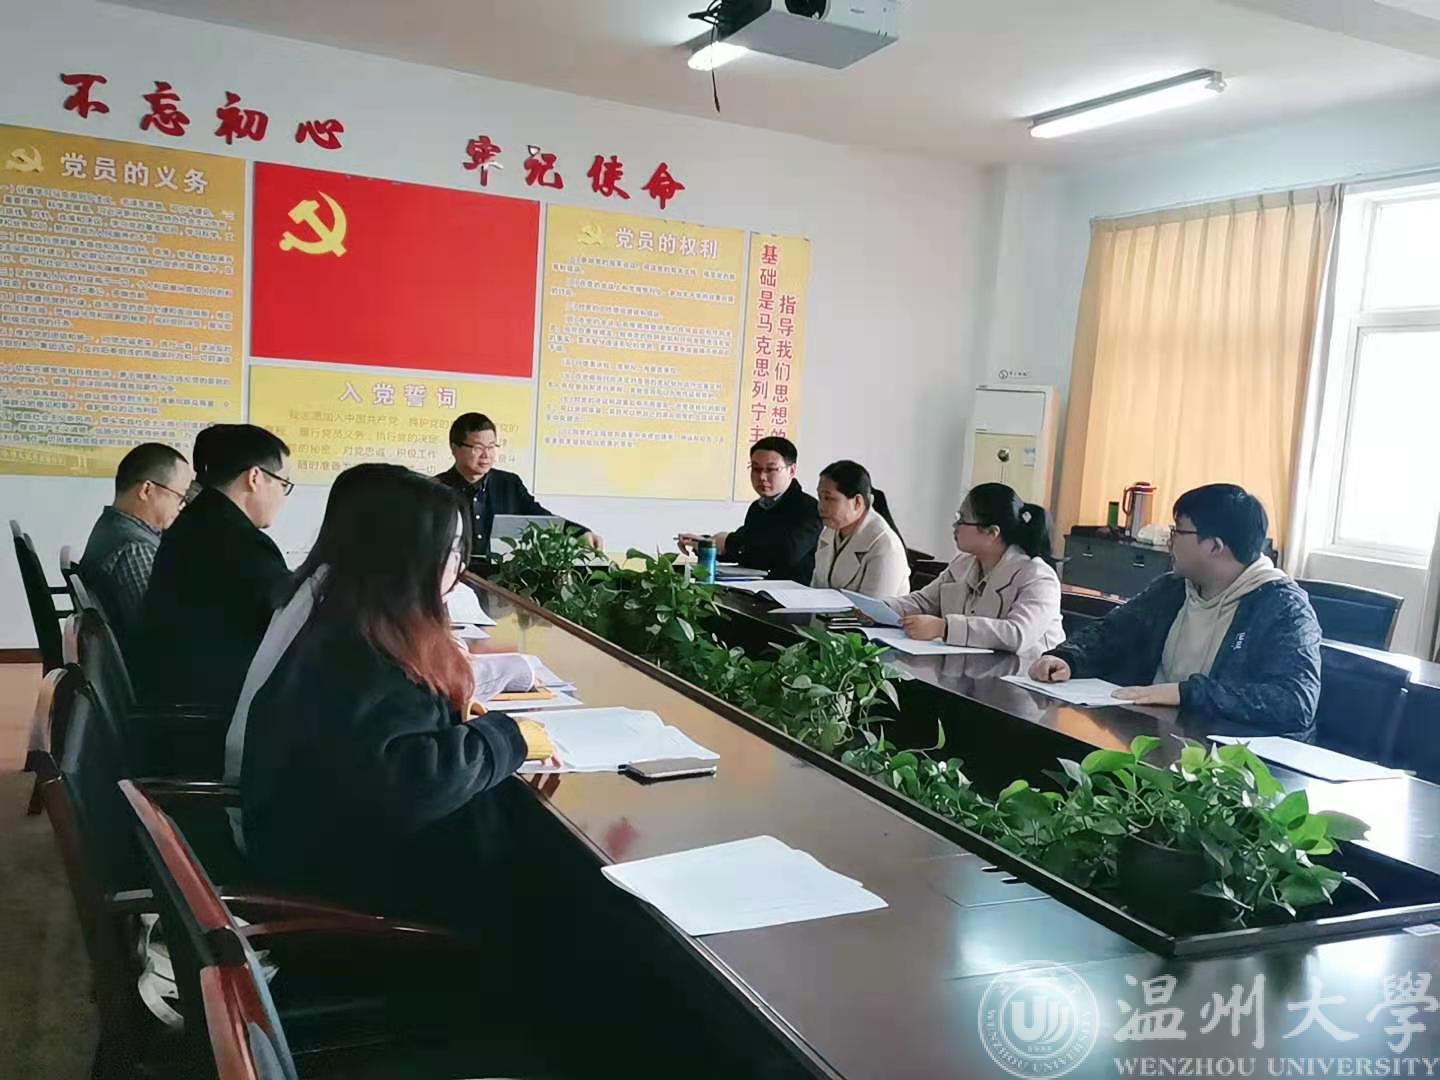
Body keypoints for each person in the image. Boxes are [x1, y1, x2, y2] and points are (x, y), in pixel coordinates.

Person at [234, 465, 552, 908]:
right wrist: (507, 737)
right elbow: (411, 780)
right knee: (559, 878)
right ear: (405, 557)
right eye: (451, 550)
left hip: (321, 848)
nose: (459, 565)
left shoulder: (349, 616)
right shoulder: (361, 647)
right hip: (350, 885)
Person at [1030, 483, 1321, 736]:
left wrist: (1184, 693)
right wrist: (1067, 658)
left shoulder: (1283, 608)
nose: (1170, 541)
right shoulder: (1172, 588)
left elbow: (1295, 702)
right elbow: (1111, 631)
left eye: (1177, 531)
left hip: (1224, 765)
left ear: (1214, 546)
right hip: (1150, 736)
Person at [134, 424, 292, 710]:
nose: (283, 498)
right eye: (283, 484)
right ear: (255, 477)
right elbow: (292, 618)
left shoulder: (198, 520)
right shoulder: (238, 541)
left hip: (174, 690)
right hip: (207, 709)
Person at [888, 483, 1064, 656]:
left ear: (992, 532)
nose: (955, 526)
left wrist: (944, 628)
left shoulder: (1038, 577)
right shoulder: (962, 564)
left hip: (1026, 670)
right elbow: (922, 602)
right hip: (970, 667)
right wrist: (878, 609)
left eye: (962, 520)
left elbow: (1017, 633)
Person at [436, 412, 602, 561]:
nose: (486, 455)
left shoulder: (509, 484)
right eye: (478, 448)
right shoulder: (435, 490)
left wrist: (579, 533)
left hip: (499, 578)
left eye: (491, 447)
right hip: (450, 577)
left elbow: (540, 518)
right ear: (454, 448)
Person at [78, 442, 194, 651]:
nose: (182, 506)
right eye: (180, 496)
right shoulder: (135, 548)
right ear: (146, 490)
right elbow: (162, 632)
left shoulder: (111, 525)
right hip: (147, 665)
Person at [677, 437, 822, 584]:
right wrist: (705, 544)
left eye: (771, 469)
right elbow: (744, 551)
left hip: (792, 593)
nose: (762, 477)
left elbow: (783, 555)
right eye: (756, 469)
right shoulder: (758, 507)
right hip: (755, 589)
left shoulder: (809, 508)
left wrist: (728, 543)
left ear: (791, 470)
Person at [810, 460, 910, 598]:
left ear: (857, 502)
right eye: (820, 497)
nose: (821, 506)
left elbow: (875, 608)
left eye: (829, 498)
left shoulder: (885, 546)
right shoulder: (830, 532)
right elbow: (816, 589)